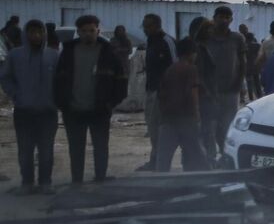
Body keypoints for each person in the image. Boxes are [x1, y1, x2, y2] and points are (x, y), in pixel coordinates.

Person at [53, 15, 128, 183]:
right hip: (74, 109)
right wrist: (63, 103)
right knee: (76, 148)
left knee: (101, 147)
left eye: (92, 30)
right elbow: (58, 80)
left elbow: (122, 81)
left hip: (100, 110)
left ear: (98, 31)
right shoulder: (68, 52)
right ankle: (77, 180)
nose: (88, 34)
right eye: (84, 31)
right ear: (78, 32)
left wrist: (110, 103)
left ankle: (100, 177)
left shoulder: (108, 53)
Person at [1, 20, 59, 193]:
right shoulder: (15, 55)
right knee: (25, 150)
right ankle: (27, 183)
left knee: (46, 150)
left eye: (39, 32)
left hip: (47, 111)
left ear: (44, 34)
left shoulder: (53, 55)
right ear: (25, 34)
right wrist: (15, 94)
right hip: (24, 110)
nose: (35, 36)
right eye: (31, 32)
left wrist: (56, 99)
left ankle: (45, 183)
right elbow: (5, 77)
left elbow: (63, 80)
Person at [197, 5, 248, 160]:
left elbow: (243, 63)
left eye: (227, 17)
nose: (224, 20)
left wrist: (239, 84)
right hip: (208, 92)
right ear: (215, 18)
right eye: (221, 17)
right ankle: (210, 159)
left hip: (230, 91)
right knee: (208, 128)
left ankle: (226, 157)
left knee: (227, 128)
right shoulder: (205, 39)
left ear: (231, 19)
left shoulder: (237, 38)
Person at [154, 37, 209, 172]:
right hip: (186, 118)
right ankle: (204, 181)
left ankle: (159, 185)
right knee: (196, 153)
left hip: (168, 118)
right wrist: (197, 116)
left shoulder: (170, 69)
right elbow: (193, 93)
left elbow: (161, 94)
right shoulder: (191, 69)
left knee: (163, 157)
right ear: (191, 53)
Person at [139, 14, 177, 170]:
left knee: (161, 129)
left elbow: (174, 66)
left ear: (157, 26)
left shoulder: (167, 41)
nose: (146, 29)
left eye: (149, 26)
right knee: (152, 128)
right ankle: (154, 160)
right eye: (145, 26)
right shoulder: (151, 42)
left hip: (163, 93)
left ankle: (159, 163)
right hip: (151, 89)